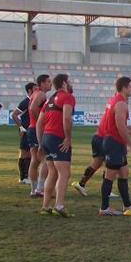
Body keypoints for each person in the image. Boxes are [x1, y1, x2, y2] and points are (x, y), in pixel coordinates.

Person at [97, 77, 131, 217]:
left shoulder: (115, 100)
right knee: (110, 175)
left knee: (124, 172)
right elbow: (119, 125)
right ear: (124, 88)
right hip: (113, 143)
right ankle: (104, 208)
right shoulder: (120, 103)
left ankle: (127, 205)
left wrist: (127, 131)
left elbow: (116, 123)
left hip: (115, 142)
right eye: (130, 87)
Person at [39, 74, 76, 218]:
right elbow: (66, 118)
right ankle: (59, 206)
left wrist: (41, 141)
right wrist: (67, 138)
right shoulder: (67, 97)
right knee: (64, 173)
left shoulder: (49, 100)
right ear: (64, 83)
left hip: (47, 138)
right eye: (70, 81)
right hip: (57, 138)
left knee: (52, 172)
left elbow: (40, 122)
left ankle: (45, 206)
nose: (71, 83)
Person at [27, 74, 52, 198]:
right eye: (48, 82)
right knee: (46, 159)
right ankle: (40, 189)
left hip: (31, 129)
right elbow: (32, 109)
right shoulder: (41, 94)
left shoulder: (34, 93)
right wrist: (39, 123)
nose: (50, 84)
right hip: (35, 129)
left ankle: (33, 189)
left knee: (35, 160)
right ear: (42, 83)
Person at [11, 82, 37, 185]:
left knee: (30, 153)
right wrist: (21, 128)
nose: (37, 90)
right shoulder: (26, 102)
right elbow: (14, 115)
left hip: (31, 131)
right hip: (26, 130)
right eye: (35, 88)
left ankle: (27, 176)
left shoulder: (33, 101)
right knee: (24, 153)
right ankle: (23, 177)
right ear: (30, 90)